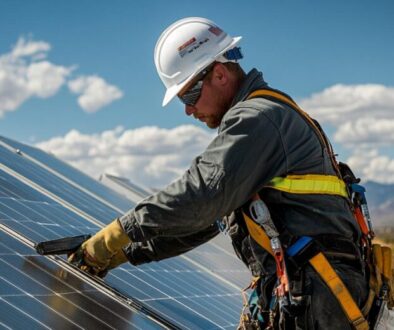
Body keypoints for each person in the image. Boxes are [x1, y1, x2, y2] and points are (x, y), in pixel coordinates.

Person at [69, 17, 370, 329]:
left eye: (188, 96)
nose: (187, 110)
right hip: (313, 292)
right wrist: (126, 252)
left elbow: (203, 194)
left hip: (319, 298)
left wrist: (119, 231)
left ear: (220, 74)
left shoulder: (258, 118)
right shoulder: (266, 117)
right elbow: (206, 221)